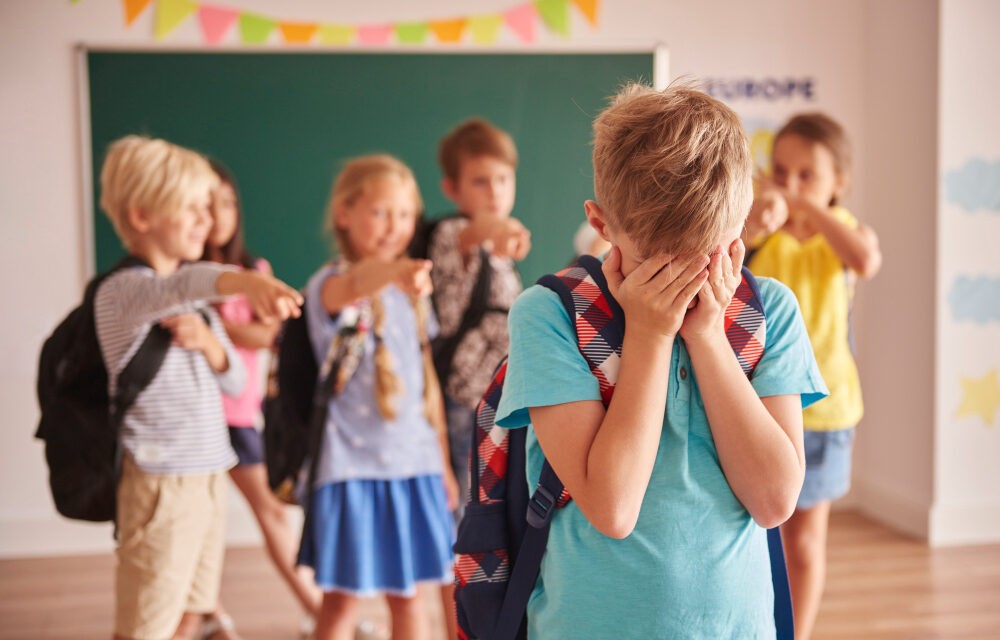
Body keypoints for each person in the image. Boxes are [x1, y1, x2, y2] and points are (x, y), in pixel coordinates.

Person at [494, 84, 829, 638]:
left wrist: (707, 338)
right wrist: (649, 336)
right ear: (602, 226)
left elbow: (774, 502)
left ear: (742, 222)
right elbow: (613, 508)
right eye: (658, 261)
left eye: (708, 254)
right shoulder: (546, 316)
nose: (687, 282)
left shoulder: (771, 311)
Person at [94, 135, 303, 640]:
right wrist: (242, 282)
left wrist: (211, 344)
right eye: (192, 208)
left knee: (194, 607)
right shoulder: (125, 292)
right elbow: (178, 288)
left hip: (207, 477)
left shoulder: (197, 302)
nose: (206, 221)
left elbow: (233, 376)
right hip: (162, 484)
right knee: (146, 623)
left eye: (208, 208)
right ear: (142, 216)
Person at [297, 154, 459, 640]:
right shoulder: (331, 285)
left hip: (414, 466)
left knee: (410, 600)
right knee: (341, 603)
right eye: (381, 212)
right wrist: (394, 274)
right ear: (344, 214)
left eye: (405, 214)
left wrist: (443, 464)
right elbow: (353, 286)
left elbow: (426, 386)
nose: (395, 226)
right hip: (353, 469)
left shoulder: (409, 293)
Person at [745, 112, 882, 640]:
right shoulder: (764, 233)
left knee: (804, 543)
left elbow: (866, 260)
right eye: (782, 171)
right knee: (762, 538)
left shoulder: (844, 233)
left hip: (825, 411)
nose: (793, 184)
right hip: (759, 409)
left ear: (839, 183)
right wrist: (761, 220)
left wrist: (808, 208)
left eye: (809, 175)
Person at [200, 160, 322, 639]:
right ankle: (209, 612)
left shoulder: (254, 271)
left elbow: (266, 333)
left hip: (240, 414)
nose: (218, 213)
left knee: (271, 511)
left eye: (227, 202)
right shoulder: (181, 274)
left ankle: (316, 609)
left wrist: (212, 326)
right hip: (194, 417)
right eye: (207, 203)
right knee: (202, 518)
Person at [426, 117, 530, 518]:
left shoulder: (498, 254)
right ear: (452, 188)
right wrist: (499, 227)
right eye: (480, 182)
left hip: (500, 400)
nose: (495, 192)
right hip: (465, 401)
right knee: (469, 518)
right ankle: (463, 584)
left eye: (503, 179)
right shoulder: (453, 234)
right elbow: (475, 229)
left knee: (496, 512)